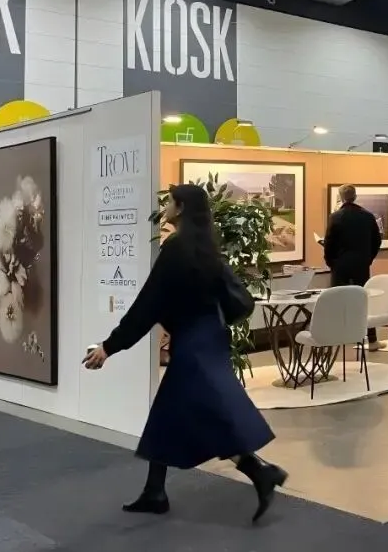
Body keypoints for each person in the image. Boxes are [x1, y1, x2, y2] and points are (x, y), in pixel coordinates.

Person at [82, 184, 286, 521]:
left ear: (180, 208)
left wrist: (109, 346)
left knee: (208, 415)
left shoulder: (176, 249)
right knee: (169, 415)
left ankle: (260, 473)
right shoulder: (205, 247)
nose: (165, 207)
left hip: (192, 344)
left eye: (169, 202)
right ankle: (155, 492)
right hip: (210, 337)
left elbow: (147, 305)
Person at [324, 184, 383, 349]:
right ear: (355, 196)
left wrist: (331, 262)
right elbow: (377, 241)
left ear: (341, 198)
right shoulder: (367, 216)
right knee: (363, 301)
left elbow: (329, 243)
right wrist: (368, 258)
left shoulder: (336, 217)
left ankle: (338, 338)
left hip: (340, 265)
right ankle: (372, 339)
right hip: (361, 264)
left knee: (337, 300)